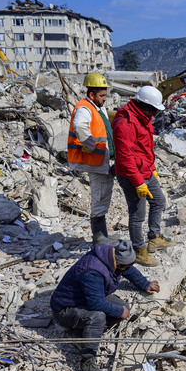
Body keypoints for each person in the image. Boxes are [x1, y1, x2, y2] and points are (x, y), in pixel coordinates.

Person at [50, 240, 160, 371]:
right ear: (119, 265)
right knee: (98, 317)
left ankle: (86, 331)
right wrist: (120, 312)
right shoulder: (92, 272)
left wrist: (145, 284)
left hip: (84, 298)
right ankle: (87, 362)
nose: (127, 268)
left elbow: (128, 269)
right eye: (125, 267)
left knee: (123, 307)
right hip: (65, 309)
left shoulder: (112, 255)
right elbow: (96, 303)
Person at [112, 85, 175, 267]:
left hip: (145, 171)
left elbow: (145, 149)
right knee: (137, 214)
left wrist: (152, 168)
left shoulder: (143, 118)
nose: (155, 115)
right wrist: (139, 183)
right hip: (131, 175)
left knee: (159, 201)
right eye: (154, 111)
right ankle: (139, 251)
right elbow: (126, 159)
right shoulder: (125, 124)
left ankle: (154, 238)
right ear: (145, 107)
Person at [68, 73, 117, 245]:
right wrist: (90, 145)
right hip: (96, 162)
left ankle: (102, 236)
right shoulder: (84, 108)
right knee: (99, 198)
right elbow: (79, 126)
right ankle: (100, 239)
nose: (105, 99)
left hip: (103, 161)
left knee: (104, 197)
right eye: (102, 96)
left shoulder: (97, 107)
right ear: (91, 95)